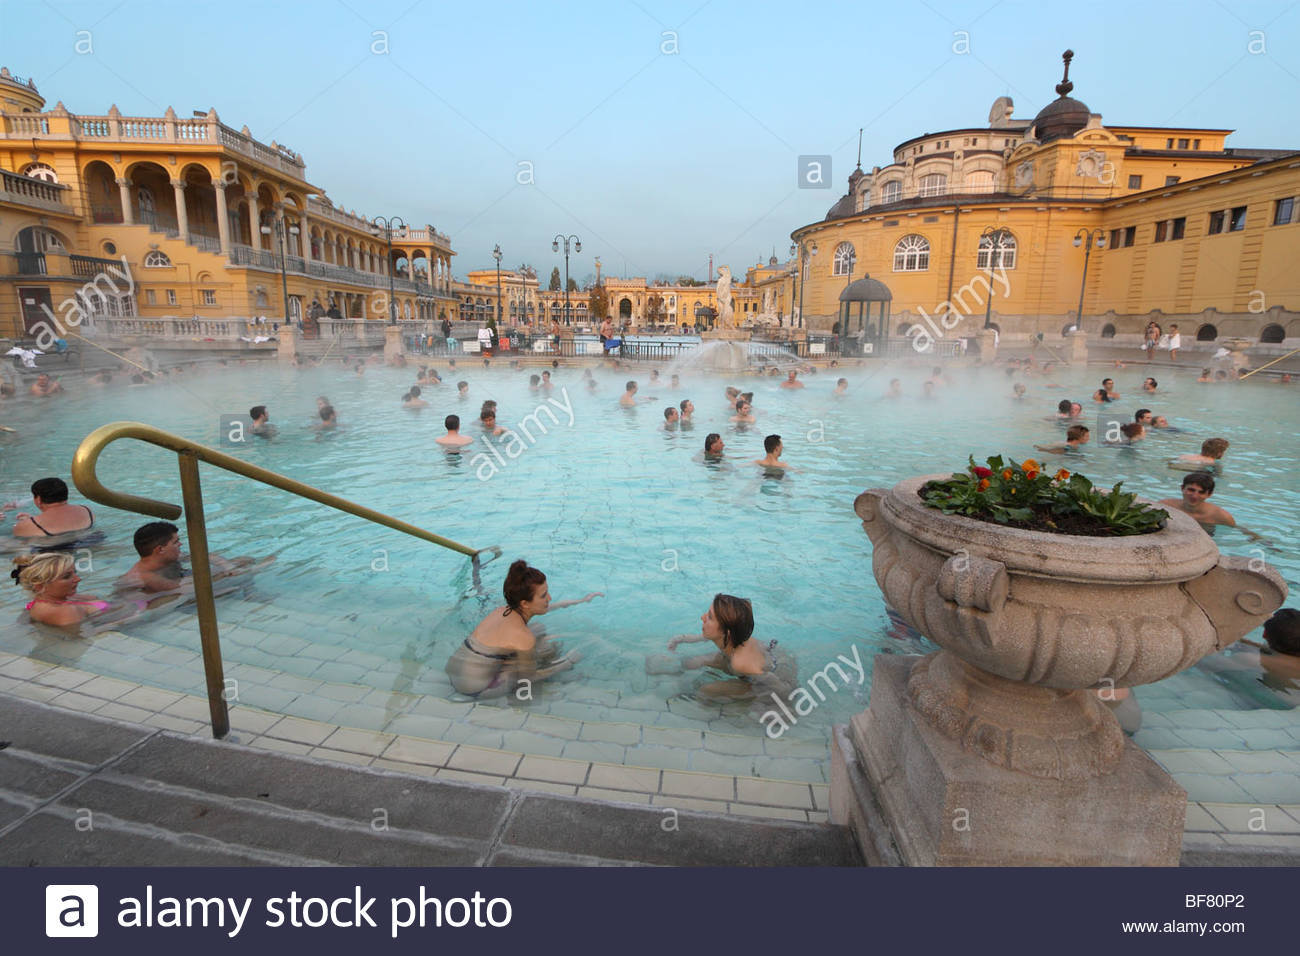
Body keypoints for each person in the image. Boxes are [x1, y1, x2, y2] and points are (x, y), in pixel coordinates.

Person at [445, 559, 600, 698]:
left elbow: (548, 607)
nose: (550, 598)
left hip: (454, 674)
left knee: (538, 628)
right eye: (544, 595)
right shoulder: (523, 638)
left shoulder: (500, 611)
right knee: (546, 650)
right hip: (475, 689)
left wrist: (580, 601)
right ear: (525, 603)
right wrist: (567, 662)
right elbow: (528, 678)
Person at [661, 594, 797, 701]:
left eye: (709, 617)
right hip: (750, 656)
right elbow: (701, 637)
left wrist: (774, 700)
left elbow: (780, 688)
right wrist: (677, 640)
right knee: (691, 663)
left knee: (706, 691)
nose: (702, 617)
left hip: (774, 670)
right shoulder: (727, 637)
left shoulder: (741, 664)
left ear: (726, 633)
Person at [12, 552, 112, 628]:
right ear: (40, 586)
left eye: (75, 573)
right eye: (67, 576)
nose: (78, 579)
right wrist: (125, 620)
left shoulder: (42, 603)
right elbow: (77, 638)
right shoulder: (65, 612)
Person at [1157, 472, 1255, 538]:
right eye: (1191, 490)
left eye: (1201, 492)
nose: (1195, 496)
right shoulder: (1166, 506)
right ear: (1182, 488)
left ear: (1209, 494)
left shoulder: (1220, 516)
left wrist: (1259, 540)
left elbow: (1238, 529)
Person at [10, 477, 94, 538]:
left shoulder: (25, 526)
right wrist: (32, 520)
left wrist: (30, 523)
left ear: (38, 499)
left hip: (52, 558)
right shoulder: (86, 510)